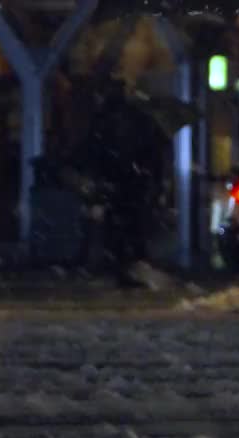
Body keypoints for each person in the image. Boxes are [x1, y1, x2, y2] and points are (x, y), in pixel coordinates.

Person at [84, 81, 165, 287]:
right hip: (135, 185)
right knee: (134, 227)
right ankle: (133, 265)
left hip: (116, 184)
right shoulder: (141, 121)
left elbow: (96, 151)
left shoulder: (104, 121)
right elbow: (153, 154)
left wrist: (100, 179)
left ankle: (120, 266)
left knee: (116, 228)